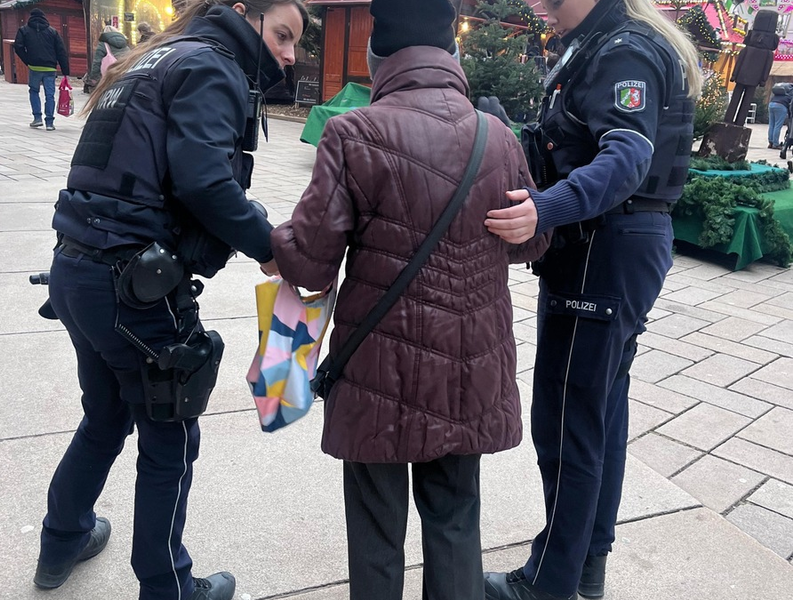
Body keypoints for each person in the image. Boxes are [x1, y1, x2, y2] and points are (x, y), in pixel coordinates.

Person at [270, 1, 549, 599]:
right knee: (455, 520)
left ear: (377, 57)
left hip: (377, 368)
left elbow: (311, 262)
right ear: (453, 53)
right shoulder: (496, 135)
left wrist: (272, 238)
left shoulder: (353, 133)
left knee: (375, 528)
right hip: (470, 365)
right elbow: (533, 241)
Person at [34, 1, 306, 599]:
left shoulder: (147, 60)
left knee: (105, 416)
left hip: (77, 268)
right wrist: (268, 245)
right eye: (283, 35)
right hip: (134, 284)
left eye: (295, 44)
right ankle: (168, 587)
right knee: (171, 433)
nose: (289, 55)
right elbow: (204, 179)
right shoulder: (211, 67)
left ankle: (61, 541)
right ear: (243, 13)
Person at [482, 1, 701, 599]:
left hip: (600, 250)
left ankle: (547, 582)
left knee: (567, 421)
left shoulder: (620, 50)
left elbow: (628, 156)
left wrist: (540, 211)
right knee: (600, 414)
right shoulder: (612, 42)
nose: (540, 10)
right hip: (622, 245)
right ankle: (585, 566)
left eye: (548, 3)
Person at [13, 8, 70, 131]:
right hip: (49, 68)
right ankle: (49, 122)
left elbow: (18, 46)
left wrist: (27, 60)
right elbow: (61, 52)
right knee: (50, 94)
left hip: (34, 67)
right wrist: (66, 72)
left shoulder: (24, 30)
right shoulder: (53, 32)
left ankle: (37, 118)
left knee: (34, 91)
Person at [768, 82, 792, 149]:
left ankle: (771, 142)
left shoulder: (778, 93)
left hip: (771, 104)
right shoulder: (790, 94)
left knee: (771, 125)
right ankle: (776, 144)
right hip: (781, 106)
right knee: (777, 125)